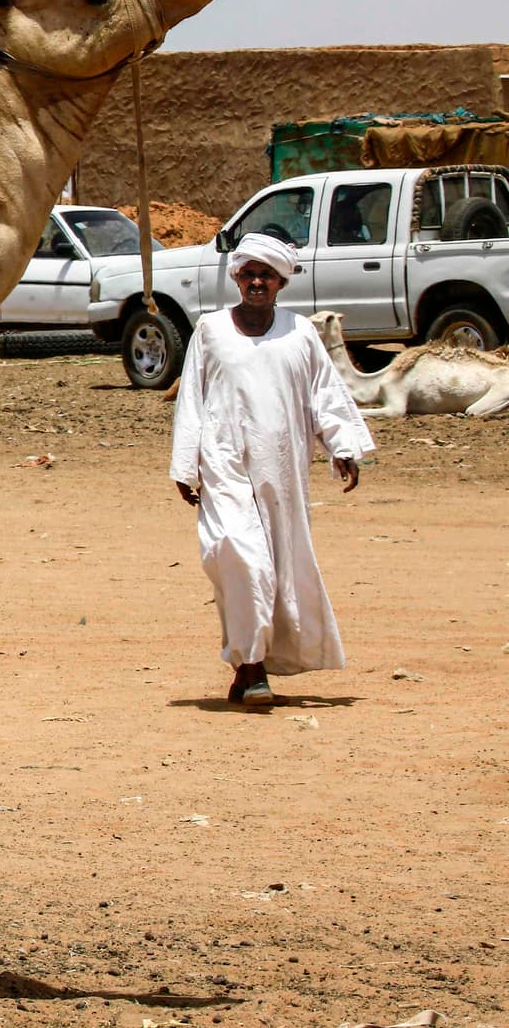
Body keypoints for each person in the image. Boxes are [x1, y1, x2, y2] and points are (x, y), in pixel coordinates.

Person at [169, 232, 374, 706]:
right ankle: (255, 667)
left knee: (278, 567)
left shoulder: (300, 333)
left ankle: (247, 668)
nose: (256, 282)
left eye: (266, 275)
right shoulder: (211, 330)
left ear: (281, 281)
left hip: (281, 467)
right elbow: (193, 400)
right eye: (248, 273)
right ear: (236, 277)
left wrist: (341, 446)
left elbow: (325, 393)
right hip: (222, 464)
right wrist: (185, 464)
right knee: (241, 558)